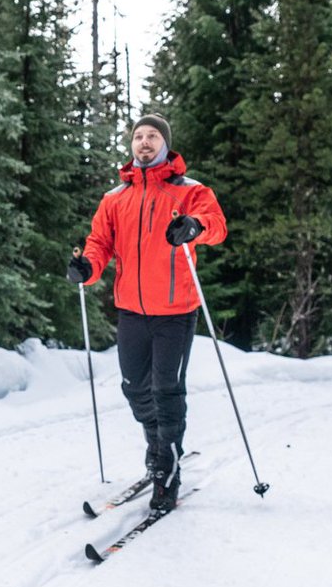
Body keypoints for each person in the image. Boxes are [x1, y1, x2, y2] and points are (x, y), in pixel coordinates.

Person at [67, 113, 227, 512]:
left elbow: (217, 225)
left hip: (176, 310)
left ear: (165, 144)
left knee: (166, 390)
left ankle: (166, 470)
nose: (144, 142)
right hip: (132, 312)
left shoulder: (189, 190)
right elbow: (99, 243)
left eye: (152, 136)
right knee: (134, 388)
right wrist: (87, 268)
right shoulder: (115, 198)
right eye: (138, 136)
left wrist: (194, 227)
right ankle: (157, 448)